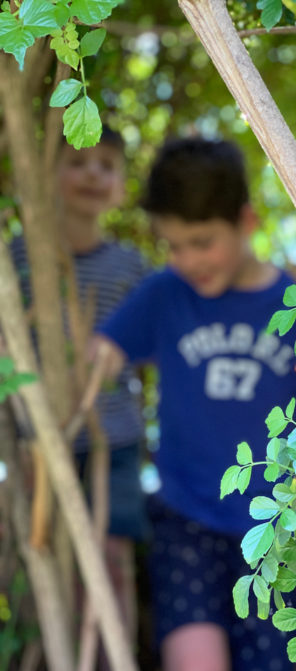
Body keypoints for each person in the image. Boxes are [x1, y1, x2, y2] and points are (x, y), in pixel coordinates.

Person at [95, 137, 296, 671]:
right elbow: (98, 358)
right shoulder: (166, 294)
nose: (188, 260)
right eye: (174, 245)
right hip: (189, 519)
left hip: (278, 536)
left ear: (247, 222)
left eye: (203, 242)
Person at [10, 128, 147, 644]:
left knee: (112, 563)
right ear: (47, 174)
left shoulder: (131, 265)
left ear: (120, 185)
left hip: (116, 438)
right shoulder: (16, 259)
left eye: (108, 165)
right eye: (79, 161)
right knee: (40, 562)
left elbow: (152, 345)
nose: (94, 173)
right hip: (37, 439)